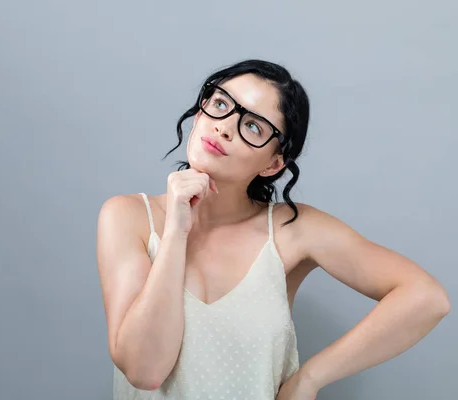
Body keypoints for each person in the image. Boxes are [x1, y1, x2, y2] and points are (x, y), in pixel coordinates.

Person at [95, 59, 451, 400]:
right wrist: (176, 231)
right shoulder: (128, 217)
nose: (224, 127)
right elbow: (145, 371)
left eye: (252, 126)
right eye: (220, 103)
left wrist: (310, 378)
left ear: (273, 163)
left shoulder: (291, 231)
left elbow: (427, 298)